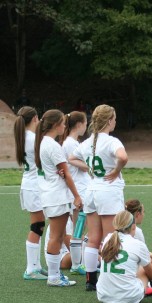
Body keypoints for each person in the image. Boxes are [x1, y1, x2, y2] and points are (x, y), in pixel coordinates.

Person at [69, 104, 128, 291]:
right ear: (109, 120)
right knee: (111, 237)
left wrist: (89, 168)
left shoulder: (87, 142)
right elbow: (123, 157)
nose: (115, 122)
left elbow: (71, 158)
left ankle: (90, 280)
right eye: (115, 119)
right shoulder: (112, 141)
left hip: (91, 191)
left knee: (93, 238)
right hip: (108, 192)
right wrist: (116, 170)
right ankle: (108, 278)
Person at [34, 109, 83, 287]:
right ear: (55, 125)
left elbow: (61, 171)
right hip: (56, 196)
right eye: (63, 123)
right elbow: (67, 173)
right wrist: (77, 195)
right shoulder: (52, 145)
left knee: (59, 235)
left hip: (51, 194)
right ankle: (54, 277)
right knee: (56, 236)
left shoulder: (44, 143)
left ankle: (54, 276)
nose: (65, 126)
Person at [14, 106, 48, 280]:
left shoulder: (24, 137)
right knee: (37, 226)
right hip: (34, 187)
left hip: (30, 185)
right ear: (35, 118)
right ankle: (31, 269)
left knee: (38, 225)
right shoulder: (33, 139)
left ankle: (36, 266)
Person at [59, 111, 89, 275]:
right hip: (78, 191)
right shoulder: (71, 144)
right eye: (85, 123)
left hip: (80, 190)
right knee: (79, 229)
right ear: (79, 124)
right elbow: (83, 164)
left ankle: (78, 263)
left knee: (81, 229)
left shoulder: (72, 143)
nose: (86, 127)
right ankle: (77, 264)